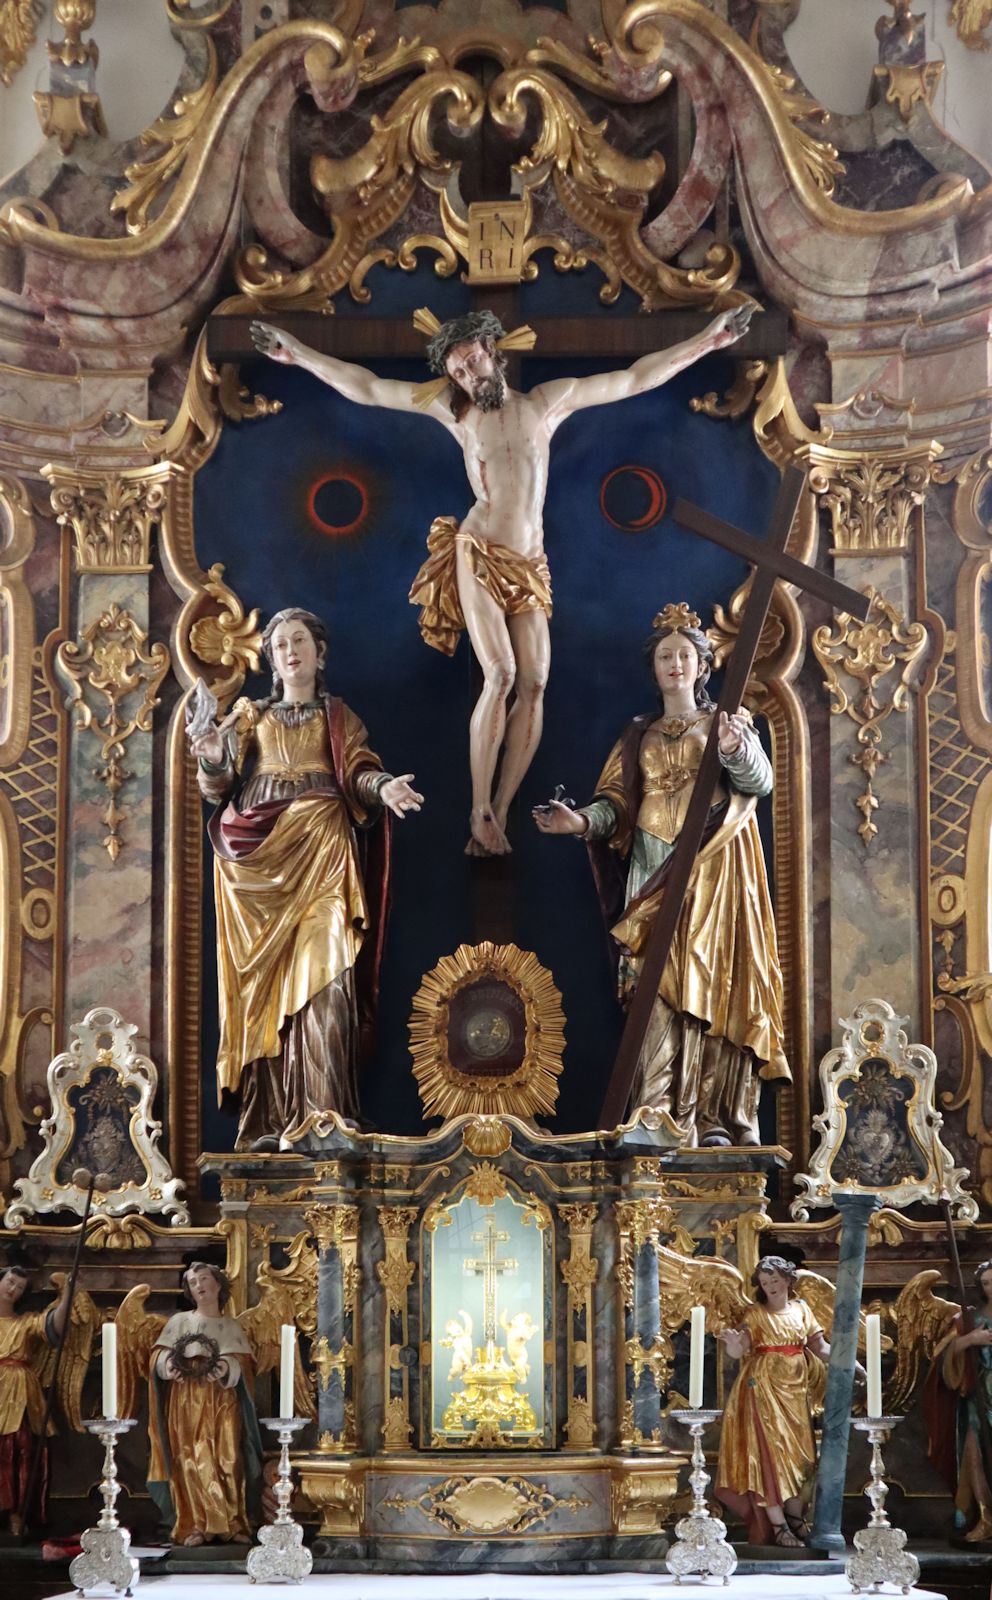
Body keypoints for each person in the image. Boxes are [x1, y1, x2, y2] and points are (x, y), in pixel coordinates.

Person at [250, 304, 752, 856]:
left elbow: (633, 378)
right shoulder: (456, 413)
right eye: (457, 372)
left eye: (471, 363)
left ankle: (502, 809)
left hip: (530, 563)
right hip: (479, 549)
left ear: (493, 350)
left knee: (535, 681)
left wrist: (708, 340)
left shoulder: (546, 404)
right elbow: (368, 388)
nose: (466, 377)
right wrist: (296, 355)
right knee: (502, 672)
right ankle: (477, 805)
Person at [533, 602, 788, 1144]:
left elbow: (759, 782)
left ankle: (714, 1117)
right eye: (666, 656)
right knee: (657, 989)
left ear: (703, 666)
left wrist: (736, 748)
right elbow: (616, 806)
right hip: (651, 867)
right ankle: (658, 1110)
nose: (676, 664)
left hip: (713, 871)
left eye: (686, 655)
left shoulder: (725, 723)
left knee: (714, 982)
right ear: (653, 668)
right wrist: (578, 821)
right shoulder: (637, 734)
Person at [189, 606, 423, 1148]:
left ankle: (324, 1112)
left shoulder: (340, 717)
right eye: (279, 645)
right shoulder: (252, 715)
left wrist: (383, 786)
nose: (290, 651)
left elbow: (359, 769)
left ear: (320, 654)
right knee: (265, 987)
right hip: (258, 859)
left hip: (321, 850)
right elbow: (219, 785)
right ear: (271, 660)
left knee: (327, 971)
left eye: (300, 641)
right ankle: (271, 1117)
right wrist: (208, 757)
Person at [715, 1256, 832, 1547]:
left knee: (801, 1457)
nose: (771, 1287)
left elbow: (819, 1347)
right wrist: (733, 1345)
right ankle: (778, 1524)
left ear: (789, 1281)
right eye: (765, 1283)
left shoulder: (803, 1310)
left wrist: (850, 1361)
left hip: (796, 1393)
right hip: (763, 1390)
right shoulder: (755, 1314)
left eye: (775, 1281)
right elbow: (739, 1348)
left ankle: (795, 1518)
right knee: (770, 1454)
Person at [148, 1263, 263, 1547]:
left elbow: (248, 1368)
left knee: (229, 1457)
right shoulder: (179, 1323)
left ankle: (233, 1522)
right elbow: (156, 1358)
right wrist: (167, 1366)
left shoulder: (231, 1326)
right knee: (190, 1457)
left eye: (204, 1279)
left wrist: (227, 1367)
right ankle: (196, 1524)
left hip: (223, 1401)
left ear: (218, 1285)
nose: (199, 1285)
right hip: (186, 1399)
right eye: (192, 1282)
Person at [0, 1264, 72, 1536]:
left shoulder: (24, 1322)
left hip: (19, 1391)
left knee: (21, 1453)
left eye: (19, 1287)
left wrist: (67, 1294)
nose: (13, 1289)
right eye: (9, 1282)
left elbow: (53, 1326)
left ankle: (18, 1515)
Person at [926, 1259, 992, 1542]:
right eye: (988, 1282)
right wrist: (970, 1339)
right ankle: (985, 1516)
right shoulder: (970, 1319)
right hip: (979, 1393)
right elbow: (943, 1354)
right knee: (973, 1451)